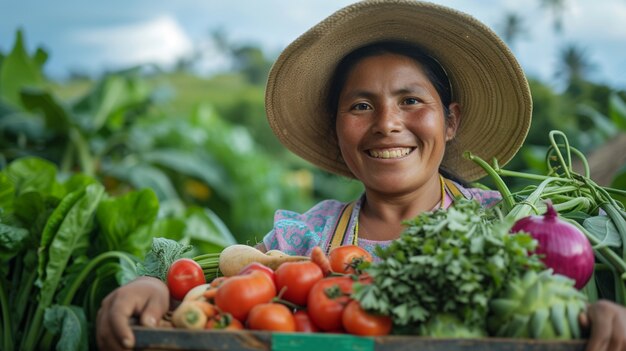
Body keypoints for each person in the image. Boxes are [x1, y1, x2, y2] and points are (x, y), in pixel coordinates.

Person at [96, 1, 626, 350]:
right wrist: (151, 286)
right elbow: (222, 297)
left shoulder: (506, 226)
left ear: (451, 118)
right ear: (337, 128)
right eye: (361, 106)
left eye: (412, 101)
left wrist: (598, 315)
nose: (387, 124)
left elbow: (550, 308)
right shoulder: (299, 241)